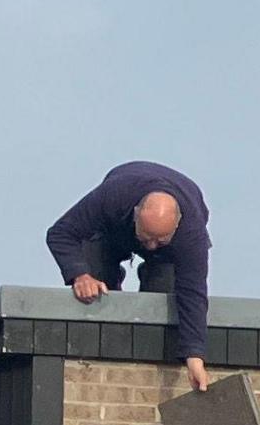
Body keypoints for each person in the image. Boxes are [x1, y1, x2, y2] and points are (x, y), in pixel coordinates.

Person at [49, 161, 213, 393]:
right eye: (147, 238)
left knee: (164, 297)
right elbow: (60, 233)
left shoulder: (191, 234)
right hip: (111, 232)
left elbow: (193, 292)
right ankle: (101, 354)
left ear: (177, 225)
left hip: (170, 251)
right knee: (95, 275)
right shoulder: (111, 197)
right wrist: (79, 275)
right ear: (136, 214)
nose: (152, 246)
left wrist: (195, 356)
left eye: (161, 240)